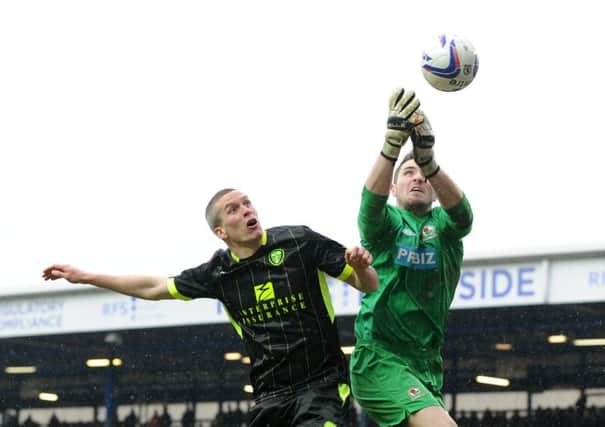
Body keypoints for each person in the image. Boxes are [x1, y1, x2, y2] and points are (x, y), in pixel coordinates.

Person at [43, 188, 378, 427]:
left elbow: (369, 284)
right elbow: (154, 287)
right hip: (269, 397)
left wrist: (362, 267)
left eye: (248, 203)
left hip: (321, 387)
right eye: (234, 209)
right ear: (221, 231)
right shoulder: (219, 273)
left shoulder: (299, 241)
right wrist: (87, 276)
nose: (247, 210)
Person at [349, 88, 473, 427]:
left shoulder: (445, 228)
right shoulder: (386, 226)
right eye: (408, 173)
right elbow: (369, 206)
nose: (417, 178)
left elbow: (464, 216)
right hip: (380, 358)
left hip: (427, 363)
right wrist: (391, 145)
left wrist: (430, 161)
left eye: (424, 175)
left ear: (434, 187)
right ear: (393, 187)